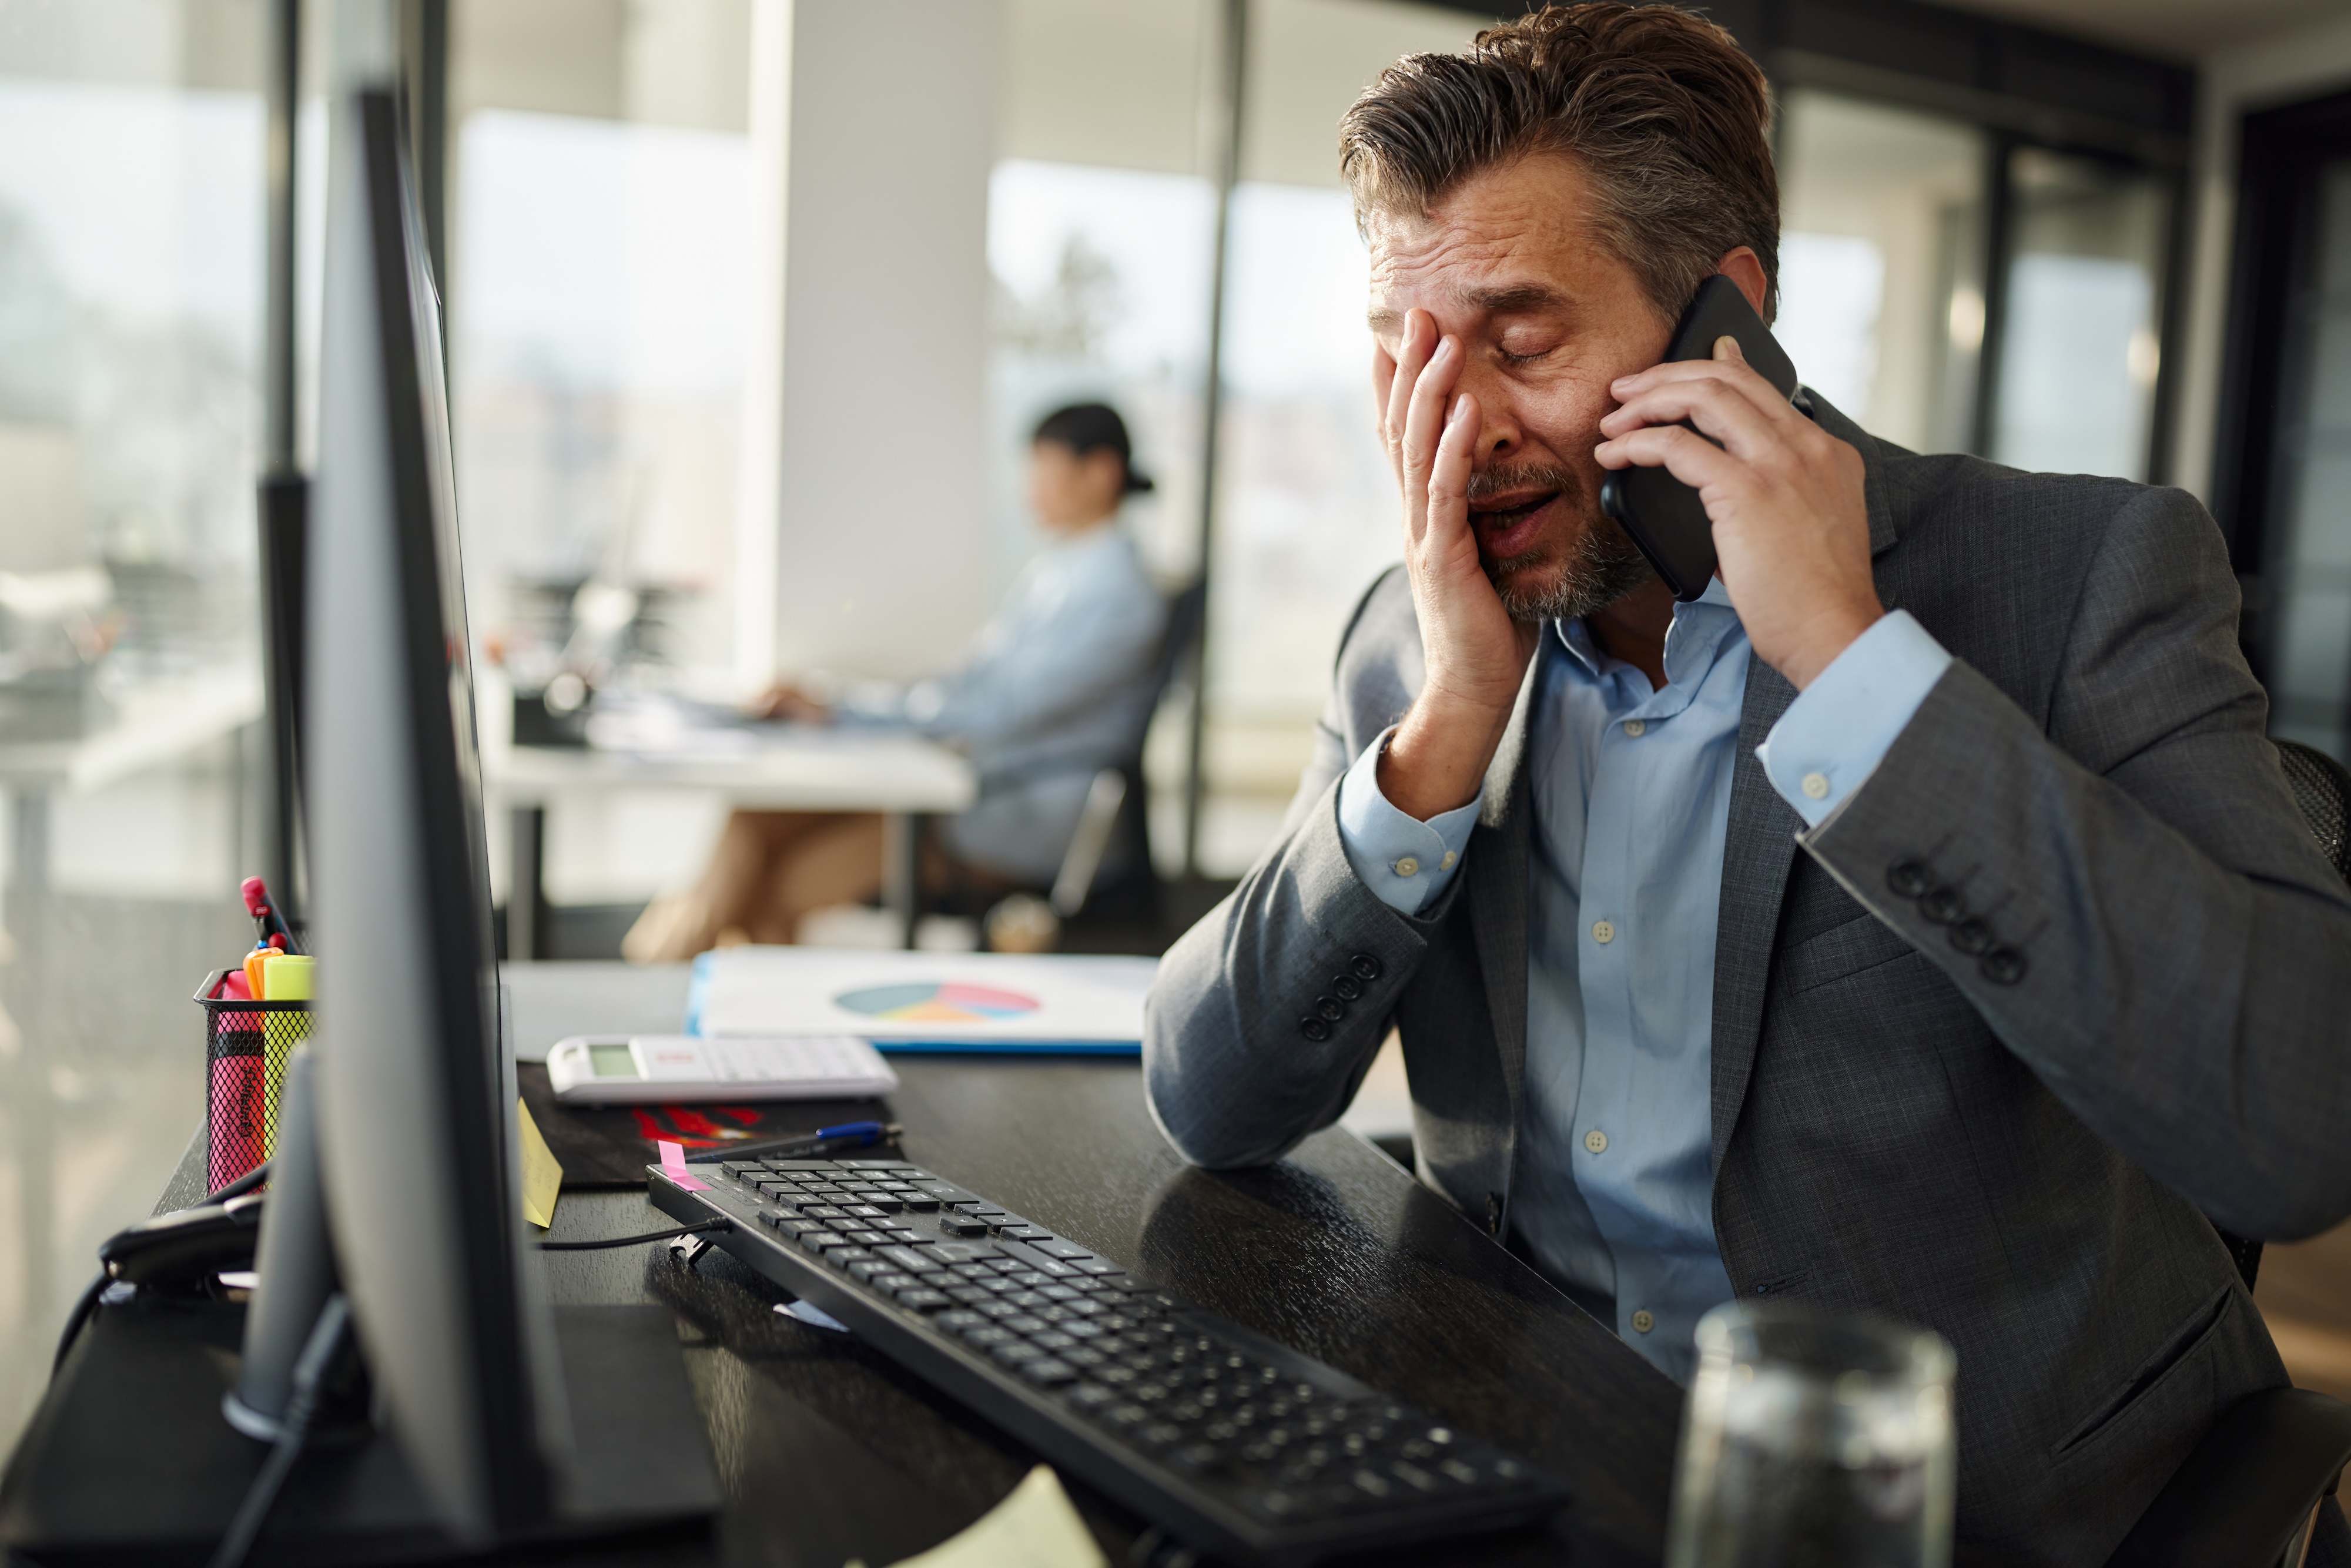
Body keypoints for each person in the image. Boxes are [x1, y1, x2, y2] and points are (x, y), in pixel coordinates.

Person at [1140, 8, 2351, 1564]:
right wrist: (1445, 725)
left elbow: (2296, 1118)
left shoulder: (2082, 575)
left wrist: (1850, 667)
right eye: (1404, 353)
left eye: (1518, 341)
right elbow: (1208, 1096)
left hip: (1966, 1513)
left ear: (1727, 320)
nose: (1454, 438)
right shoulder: (1415, 631)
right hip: (1532, 1471)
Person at [624, 403, 1168, 960]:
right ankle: (655, 971)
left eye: (1043, 470)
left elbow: (1002, 711)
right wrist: (840, 705)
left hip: (1004, 814)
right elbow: (966, 683)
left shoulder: (1122, 597)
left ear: (1100, 472)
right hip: (961, 789)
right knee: (757, 817)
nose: (1029, 490)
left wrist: (844, 715)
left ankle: (656, 987)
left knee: (782, 887)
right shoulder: (1058, 574)